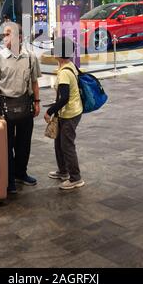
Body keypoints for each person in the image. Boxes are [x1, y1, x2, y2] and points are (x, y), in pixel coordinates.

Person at [0, 22, 42, 194]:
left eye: (9, 34)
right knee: (6, 144)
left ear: (19, 37)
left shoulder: (30, 57)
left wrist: (37, 101)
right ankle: (9, 179)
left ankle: (21, 173)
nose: (5, 37)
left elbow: (34, 82)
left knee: (24, 143)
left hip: (25, 103)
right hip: (5, 105)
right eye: (4, 34)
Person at [44, 36, 84, 190]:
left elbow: (64, 98)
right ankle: (63, 171)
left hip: (70, 113)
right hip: (67, 112)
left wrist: (49, 111)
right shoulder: (68, 65)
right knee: (58, 142)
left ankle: (75, 178)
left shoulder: (64, 73)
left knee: (67, 145)